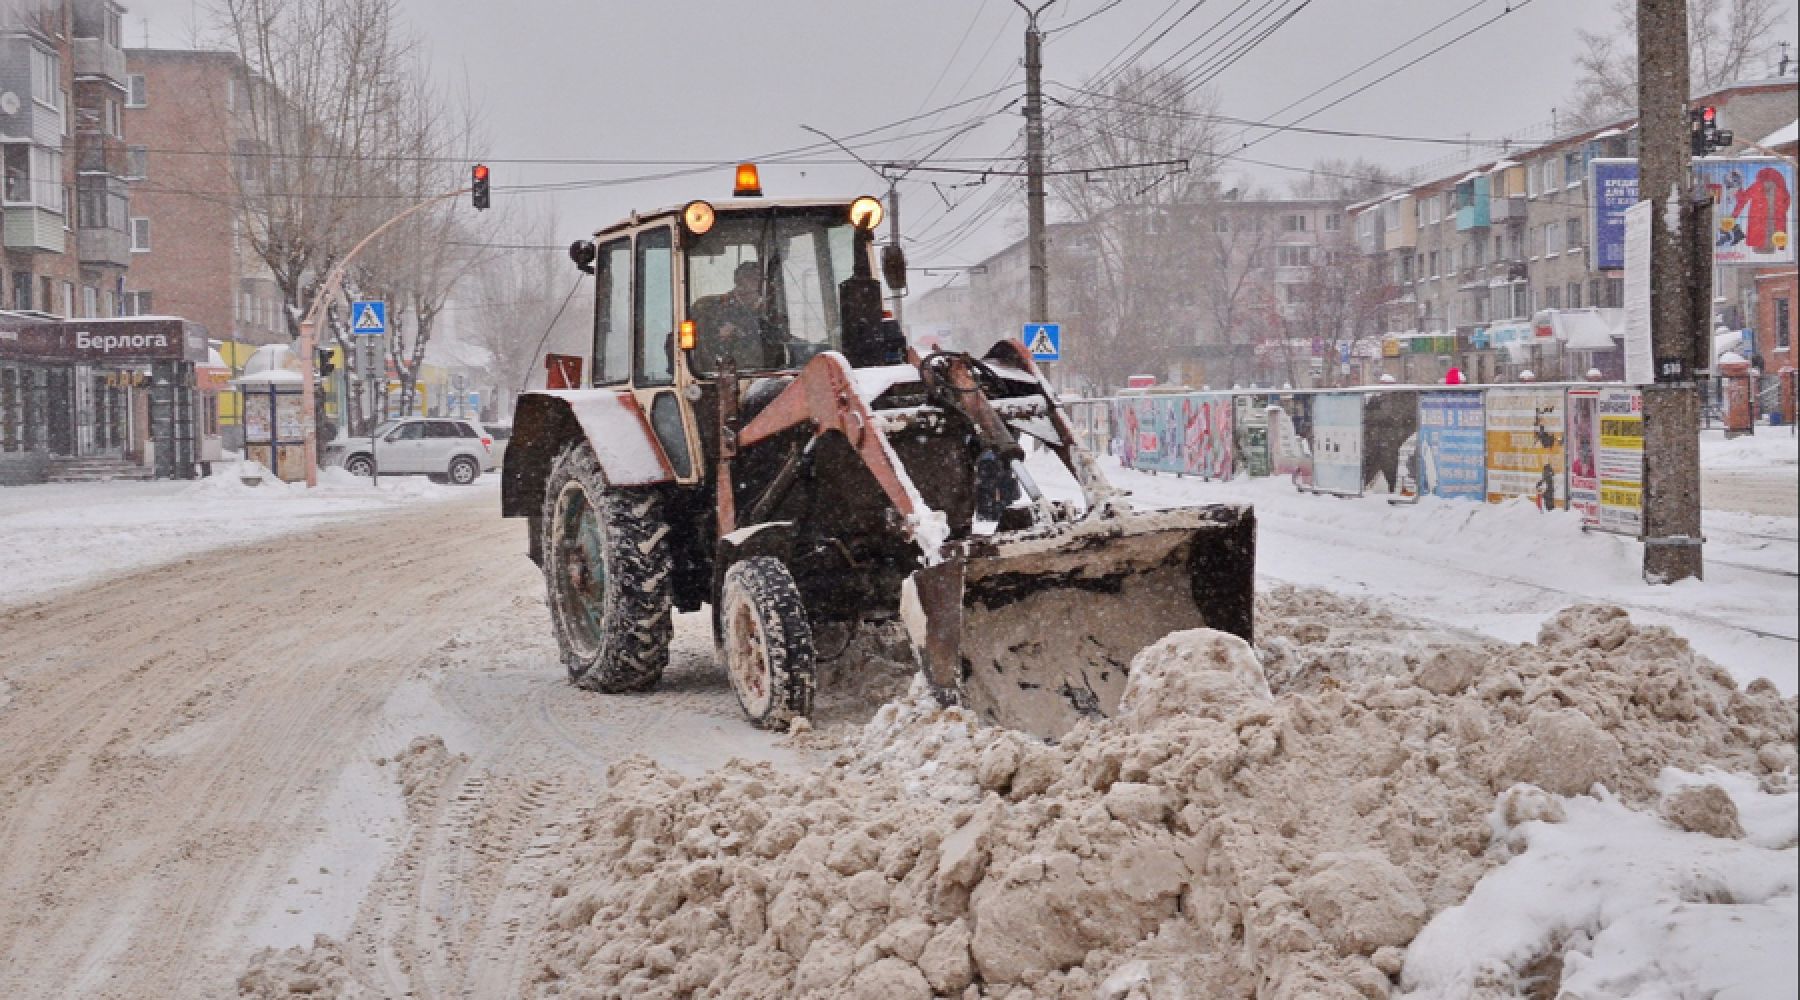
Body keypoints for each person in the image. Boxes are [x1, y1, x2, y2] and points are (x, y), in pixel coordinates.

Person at [692, 261, 784, 371]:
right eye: (748, 277)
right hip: (723, 377)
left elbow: (782, 341)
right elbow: (697, 350)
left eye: (758, 278)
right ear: (736, 279)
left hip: (768, 376)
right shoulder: (709, 307)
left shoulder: (769, 312)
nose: (753, 282)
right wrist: (719, 337)